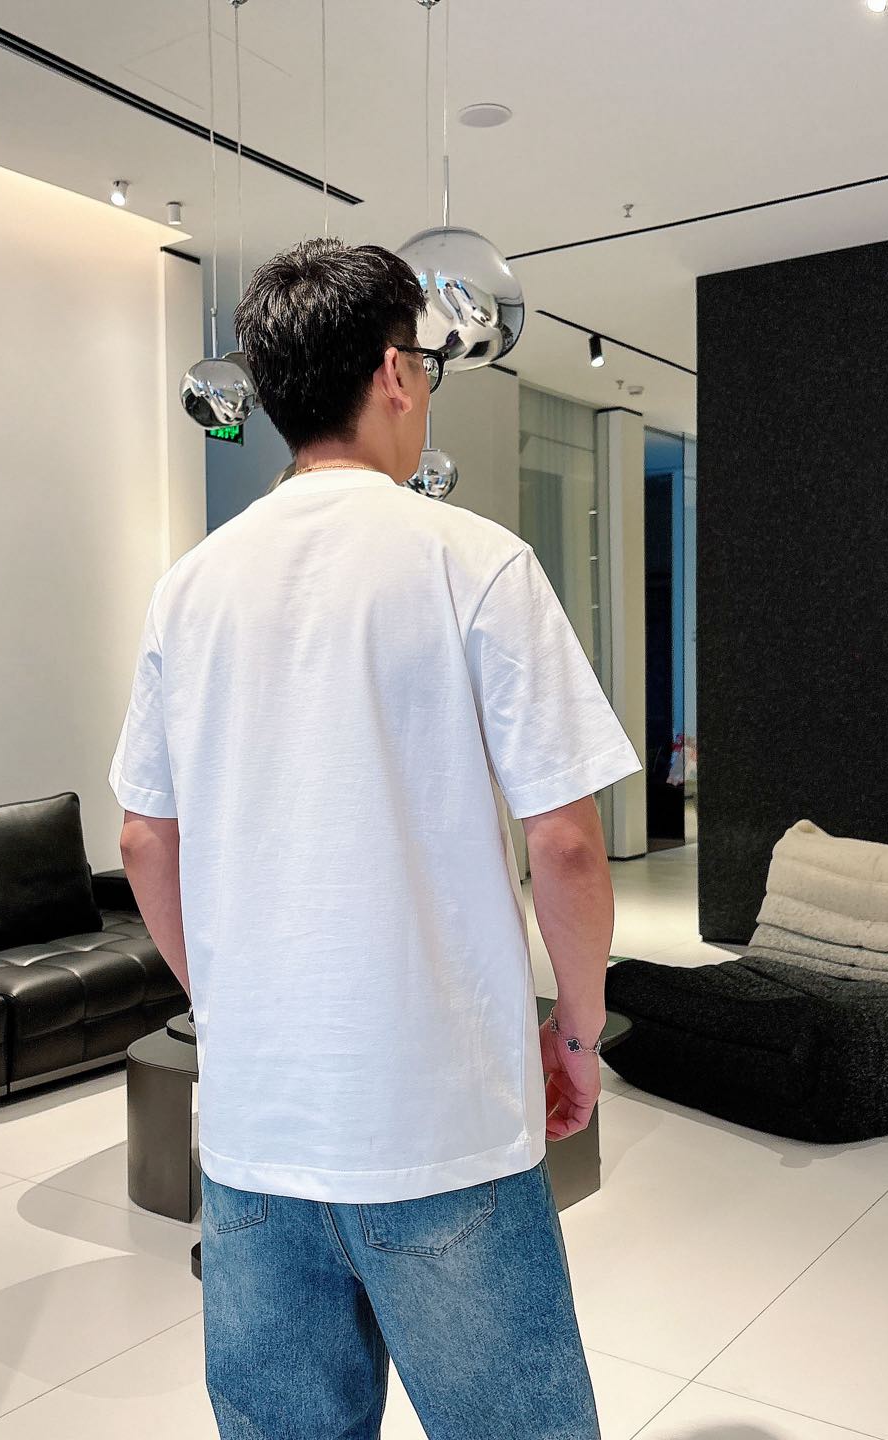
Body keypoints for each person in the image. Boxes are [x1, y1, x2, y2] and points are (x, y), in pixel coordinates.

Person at [109, 237, 642, 1439]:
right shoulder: (477, 561)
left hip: (254, 1134)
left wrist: (232, 1006)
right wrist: (575, 1034)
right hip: (442, 1125)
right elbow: (564, 842)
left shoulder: (188, 589)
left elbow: (145, 839)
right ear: (396, 374)